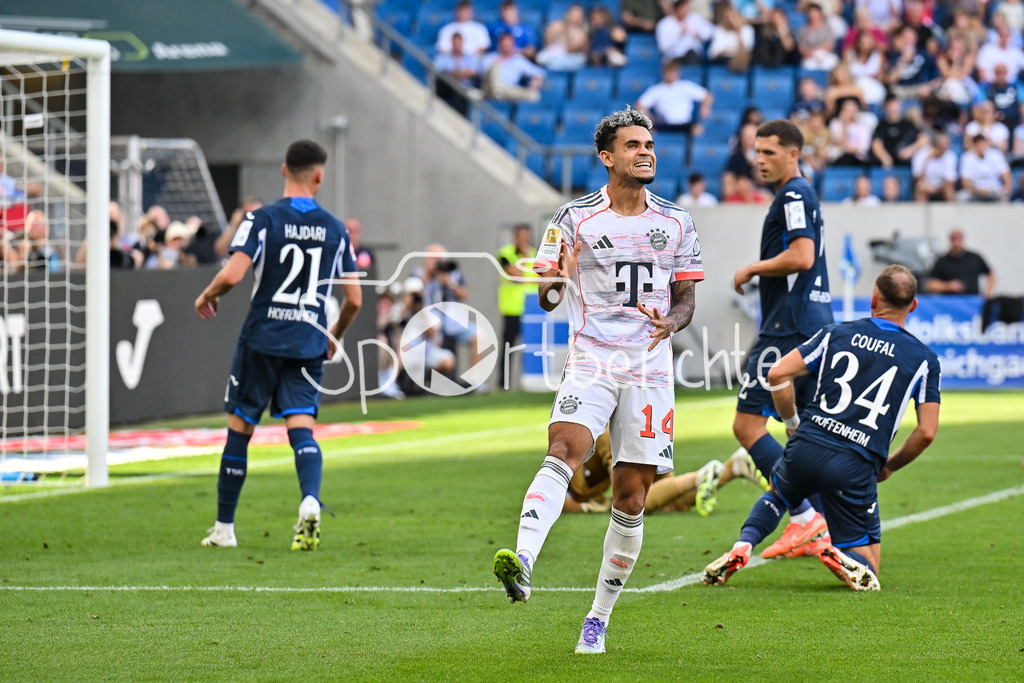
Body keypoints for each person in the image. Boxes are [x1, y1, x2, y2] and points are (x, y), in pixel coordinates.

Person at [491, 107, 703, 654]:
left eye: (649, 144)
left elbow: (686, 301)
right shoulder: (572, 218)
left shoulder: (677, 220)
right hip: (592, 358)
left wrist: (671, 322)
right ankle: (524, 561)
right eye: (633, 145)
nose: (646, 152)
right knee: (564, 445)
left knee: (631, 496)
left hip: (650, 366)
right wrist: (557, 279)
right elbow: (547, 294)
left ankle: (598, 618)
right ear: (607, 158)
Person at [703, 265, 941, 592]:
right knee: (870, 564)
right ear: (913, 306)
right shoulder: (924, 359)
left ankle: (742, 546)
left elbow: (776, 375)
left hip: (807, 444)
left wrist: (792, 425)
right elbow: (926, 432)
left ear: (873, 299)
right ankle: (834, 550)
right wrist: (889, 467)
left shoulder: (835, 333)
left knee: (779, 493)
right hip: (855, 463)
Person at [194, 139, 362, 550]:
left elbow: (233, 275)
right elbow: (355, 298)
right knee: (302, 428)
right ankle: (309, 499)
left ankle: (224, 530)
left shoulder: (261, 219)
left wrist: (207, 294)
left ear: (284, 170)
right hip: (308, 341)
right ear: (319, 176)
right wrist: (333, 337)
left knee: (240, 428)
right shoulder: (336, 228)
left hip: (262, 337)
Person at [731, 119, 834, 560]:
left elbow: (802, 255)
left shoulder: (794, 194)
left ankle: (805, 517)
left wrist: (753, 268)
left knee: (748, 424)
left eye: (769, 152)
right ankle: (835, 531)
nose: (760, 160)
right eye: (757, 152)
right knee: (809, 437)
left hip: (787, 327)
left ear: (794, 153)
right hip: (812, 323)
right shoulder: (801, 194)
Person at [564, 429, 768, 515]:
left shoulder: (572, 453)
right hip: (650, 424)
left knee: (630, 503)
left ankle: (699, 477)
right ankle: (733, 468)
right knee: (670, 504)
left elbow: (549, 499)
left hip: (617, 435)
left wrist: (589, 508)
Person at [496, 223, 537, 390]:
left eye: (526, 236)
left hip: (532, 309)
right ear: (515, 237)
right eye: (521, 236)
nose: (524, 240)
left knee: (532, 347)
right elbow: (515, 275)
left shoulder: (535, 254)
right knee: (509, 347)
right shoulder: (505, 254)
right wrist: (532, 275)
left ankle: (529, 383)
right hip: (512, 309)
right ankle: (503, 384)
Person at [635, 59, 713, 134]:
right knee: (648, 131)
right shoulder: (656, 89)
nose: (670, 74)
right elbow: (640, 105)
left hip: (684, 124)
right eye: (668, 71)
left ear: (677, 72)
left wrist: (705, 107)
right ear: (663, 73)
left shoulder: (686, 86)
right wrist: (648, 117)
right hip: (663, 124)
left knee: (698, 130)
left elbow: (707, 96)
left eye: (672, 71)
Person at [926, 228, 996, 297]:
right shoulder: (942, 261)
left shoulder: (975, 258)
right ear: (950, 240)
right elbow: (931, 284)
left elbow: (991, 275)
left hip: (972, 301)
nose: (957, 243)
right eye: (954, 239)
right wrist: (948, 286)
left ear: (963, 239)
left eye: (959, 239)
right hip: (950, 301)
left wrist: (987, 294)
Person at [483, 32, 546, 102]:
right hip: (489, 90)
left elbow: (540, 72)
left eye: (508, 45)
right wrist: (496, 63)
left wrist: (537, 79)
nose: (506, 47)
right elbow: (482, 74)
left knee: (534, 95)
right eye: (504, 45)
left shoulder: (518, 60)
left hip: (508, 91)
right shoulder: (490, 57)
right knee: (495, 69)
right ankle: (498, 90)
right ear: (499, 45)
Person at [870, 95, 929, 168]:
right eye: (890, 104)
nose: (893, 108)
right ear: (885, 107)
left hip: (906, 162)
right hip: (887, 164)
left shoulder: (907, 123)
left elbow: (923, 139)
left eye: (895, 104)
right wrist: (884, 157)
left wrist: (910, 150)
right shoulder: (882, 125)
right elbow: (876, 144)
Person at [434, 32, 484, 116]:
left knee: (460, 92)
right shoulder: (443, 58)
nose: (457, 46)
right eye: (455, 43)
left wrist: (453, 74)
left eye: (459, 43)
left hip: (465, 88)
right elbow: (438, 72)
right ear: (452, 43)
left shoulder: (470, 58)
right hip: (448, 87)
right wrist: (462, 73)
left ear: (462, 43)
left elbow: (473, 72)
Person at [656, 0, 715, 64]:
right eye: (683, 6)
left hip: (693, 57)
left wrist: (700, 34)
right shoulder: (664, 24)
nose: (686, 9)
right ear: (676, 8)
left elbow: (711, 30)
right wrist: (679, 34)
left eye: (687, 6)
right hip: (673, 57)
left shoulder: (694, 18)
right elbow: (663, 47)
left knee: (693, 55)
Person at [957, 134, 1012, 202]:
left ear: (986, 144)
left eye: (982, 144)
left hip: (993, 191)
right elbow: (965, 182)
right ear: (974, 145)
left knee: (1004, 197)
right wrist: (977, 190)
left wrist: (1006, 190)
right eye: (978, 145)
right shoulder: (967, 157)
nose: (981, 147)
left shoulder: (996, 155)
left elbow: (1007, 176)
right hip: (975, 192)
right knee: (961, 197)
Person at [911, 130, 958, 201]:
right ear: (935, 145)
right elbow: (917, 179)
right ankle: (920, 211)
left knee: (949, 190)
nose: (946, 147)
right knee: (920, 188)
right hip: (926, 186)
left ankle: (951, 212)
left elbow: (950, 181)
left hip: (942, 187)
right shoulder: (921, 155)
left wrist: (936, 189)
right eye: (943, 145)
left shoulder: (950, 156)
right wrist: (926, 162)